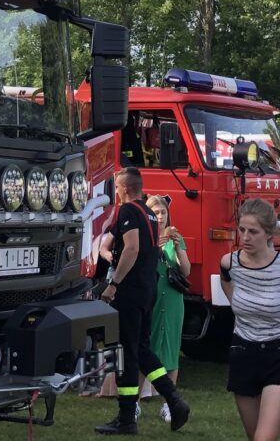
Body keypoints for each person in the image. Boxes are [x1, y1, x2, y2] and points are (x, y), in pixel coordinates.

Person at [96, 168, 190, 435]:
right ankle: (173, 401)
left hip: (130, 291)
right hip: (147, 291)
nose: (116, 192)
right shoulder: (150, 215)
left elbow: (133, 248)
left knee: (127, 352)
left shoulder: (128, 211)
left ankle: (127, 418)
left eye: (116, 188)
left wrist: (113, 285)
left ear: (124, 188)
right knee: (140, 350)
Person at [220, 198, 280, 441]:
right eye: (242, 230)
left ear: (268, 234)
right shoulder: (229, 262)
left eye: (253, 231)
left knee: (264, 438)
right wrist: (240, 304)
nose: (245, 237)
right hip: (243, 351)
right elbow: (227, 283)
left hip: (279, 353)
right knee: (254, 435)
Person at [138, 195, 191, 424]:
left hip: (171, 298)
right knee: (144, 347)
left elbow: (186, 270)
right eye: (156, 213)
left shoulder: (175, 236)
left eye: (163, 212)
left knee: (171, 349)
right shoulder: (143, 236)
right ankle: (134, 403)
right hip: (150, 297)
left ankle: (168, 404)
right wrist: (154, 248)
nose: (160, 217)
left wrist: (178, 249)